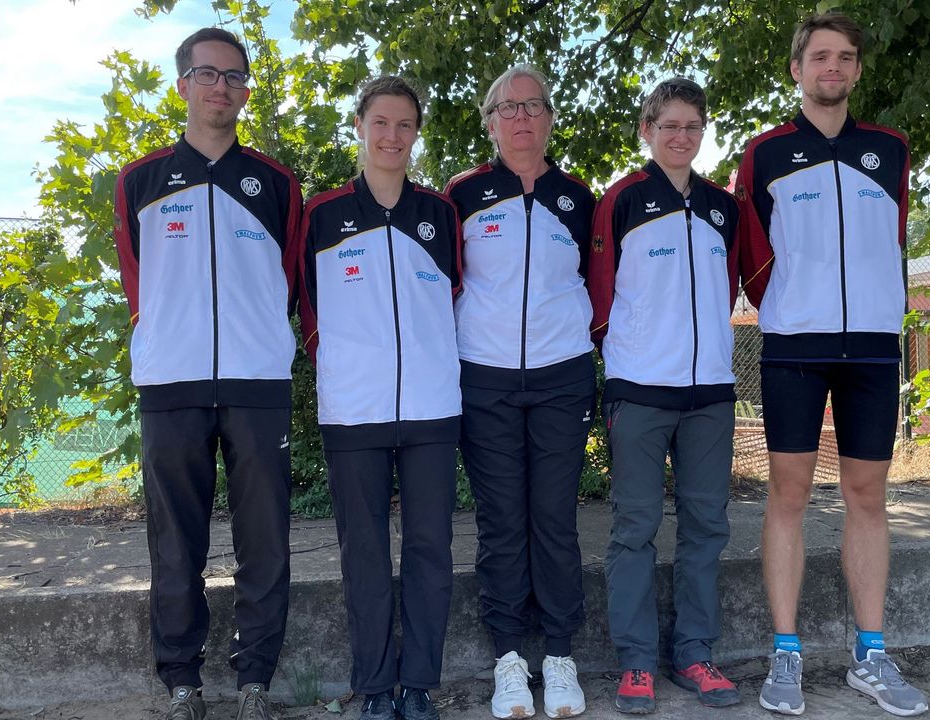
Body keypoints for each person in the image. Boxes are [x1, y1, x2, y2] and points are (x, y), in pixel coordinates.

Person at [734, 12, 927, 717]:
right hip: (795, 347)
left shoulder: (893, 150)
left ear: (857, 69)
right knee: (786, 497)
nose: (833, 69)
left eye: (845, 57)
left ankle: (870, 653)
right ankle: (785, 655)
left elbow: (892, 239)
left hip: (874, 346)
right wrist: (792, 302)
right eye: (820, 57)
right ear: (797, 68)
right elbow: (750, 254)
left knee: (868, 497)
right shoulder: (762, 156)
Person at [113, 27, 300, 720]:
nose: (222, 86)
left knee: (265, 538)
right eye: (208, 73)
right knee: (174, 538)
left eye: (234, 76)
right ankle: (182, 681)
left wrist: (258, 341)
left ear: (246, 90)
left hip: (257, 382)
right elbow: (141, 283)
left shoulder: (277, 183)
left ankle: (255, 679)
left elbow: (285, 279)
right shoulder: (140, 180)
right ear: (183, 83)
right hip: (170, 381)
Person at [297, 76, 462, 720]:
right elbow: (306, 309)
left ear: (415, 134)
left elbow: (449, 301)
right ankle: (374, 686)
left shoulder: (441, 215)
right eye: (381, 123)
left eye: (405, 125)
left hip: (430, 409)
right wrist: (343, 364)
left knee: (429, 549)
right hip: (353, 409)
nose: (392, 136)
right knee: (363, 552)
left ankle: (418, 684)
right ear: (360, 127)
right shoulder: (321, 215)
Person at [444, 64, 596, 720]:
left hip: (563, 375)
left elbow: (600, 281)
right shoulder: (462, 195)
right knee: (503, 520)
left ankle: (559, 656)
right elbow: (443, 282)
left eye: (534, 105)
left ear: (551, 118)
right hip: (484, 376)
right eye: (509, 107)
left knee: (555, 518)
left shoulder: (579, 197)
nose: (522, 117)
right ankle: (509, 656)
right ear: (490, 121)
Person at [588, 77, 742, 715]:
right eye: (669, 125)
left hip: (709, 393)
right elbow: (598, 293)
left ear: (703, 134)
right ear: (647, 131)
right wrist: (625, 360)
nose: (681, 137)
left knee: (707, 526)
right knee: (635, 528)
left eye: (692, 126)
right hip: (641, 391)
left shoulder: (723, 208)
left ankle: (694, 652)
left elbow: (728, 287)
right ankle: (635, 662)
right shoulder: (621, 200)